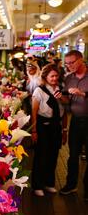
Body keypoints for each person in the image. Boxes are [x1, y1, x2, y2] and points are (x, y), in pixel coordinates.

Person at [31, 64, 68, 197]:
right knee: (41, 155)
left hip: (56, 126)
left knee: (53, 155)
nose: (54, 78)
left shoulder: (60, 89)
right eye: (51, 76)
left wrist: (64, 130)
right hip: (43, 126)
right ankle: (37, 185)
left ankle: (49, 183)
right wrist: (34, 131)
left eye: (56, 76)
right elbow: (34, 111)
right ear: (45, 77)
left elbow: (65, 107)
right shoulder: (39, 91)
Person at [60, 50, 88, 199]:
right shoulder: (69, 78)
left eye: (72, 62)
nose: (69, 66)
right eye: (67, 63)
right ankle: (71, 185)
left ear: (81, 60)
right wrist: (61, 98)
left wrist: (82, 94)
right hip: (76, 120)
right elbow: (67, 100)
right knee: (73, 155)